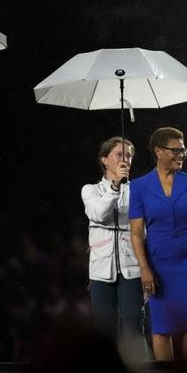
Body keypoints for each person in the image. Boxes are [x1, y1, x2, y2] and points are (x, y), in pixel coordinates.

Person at [129, 127, 187, 360]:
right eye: (176, 150)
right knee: (161, 327)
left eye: (183, 150)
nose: (182, 155)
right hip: (159, 266)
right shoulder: (139, 186)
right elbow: (136, 232)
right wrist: (145, 269)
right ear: (158, 151)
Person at [81, 136, 148, 360]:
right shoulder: (90, 190)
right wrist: (115, 187)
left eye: (128, 155)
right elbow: (99, 214)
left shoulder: (138, 190)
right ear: (104, 159)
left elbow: (142, 226)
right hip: (101, 268)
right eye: (119, 154)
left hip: (132, 266)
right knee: (105, 330)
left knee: (133, 327)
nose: (125, 159)